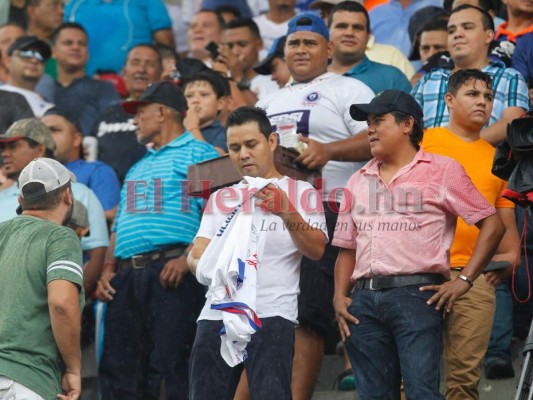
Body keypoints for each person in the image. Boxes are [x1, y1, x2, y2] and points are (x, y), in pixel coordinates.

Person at [333, 89, 506, 399]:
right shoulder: (357, 179)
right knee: (373, 396)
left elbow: (491, 224)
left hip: (416, 294)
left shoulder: (442, 169)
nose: (369, 129)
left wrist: (465, 279)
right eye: (368, 122)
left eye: (378, 120)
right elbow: (348, 248)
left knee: (421, 393)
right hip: (362, 301)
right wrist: (338, 297)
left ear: (407, 125)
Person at [256, 12, 374, 399]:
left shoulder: (349, 88)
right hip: (268, 217)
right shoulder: (266, 101)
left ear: (329, 48)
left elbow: (376, 139)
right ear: (283, 51)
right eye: (294, 43)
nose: (302, 49)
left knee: (307, 311)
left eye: (310, 42)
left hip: (329, 209)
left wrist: (328, 151)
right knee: (262, 313)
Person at [188, 105, 327, 400]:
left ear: (272, 142)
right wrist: (199, 265)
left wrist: (286, 211)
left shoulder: (302, 192)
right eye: (234, 147)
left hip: (272, 312)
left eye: (251, 144)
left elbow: (316, 250)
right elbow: (198, 253)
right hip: (217, 311)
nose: (243, 154)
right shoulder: (221, 197)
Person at [95, 81, 220, 400]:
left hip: (174, 273)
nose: (134, 120)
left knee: (178, 366)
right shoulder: (138, 166)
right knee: (120, 371)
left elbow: (224, 217)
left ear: (162, 112)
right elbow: (119, 226)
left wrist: (188, 257)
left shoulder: (202, 153)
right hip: (125, 279)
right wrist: (108, 268)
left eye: (140, 112)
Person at [422, 69, 519, 398]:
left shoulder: (498, 158)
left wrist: (511, 255)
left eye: (488, 97)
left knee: (464, 383)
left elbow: (504, 215)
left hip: (473, 277)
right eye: (473, 94)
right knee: (413, 378)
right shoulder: (423, 141)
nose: (483, 102)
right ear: (449, 100)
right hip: (419, 272)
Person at [0, 157, 84, 400]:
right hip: (24, 380)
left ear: (20, 201)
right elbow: (61, 304)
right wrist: (73, 369)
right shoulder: (61, 238)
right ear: (68, 195)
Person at [0, 118, 109, 294]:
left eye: (13, 146)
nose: (5, 153)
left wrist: (74, 301)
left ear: (40, 149)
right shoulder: (1, 197)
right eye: (3, 148)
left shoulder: (78, 193)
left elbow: (98, 251)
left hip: (55, 305)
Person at [411, 5, 530, 145]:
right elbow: (408, 126)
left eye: (467, 27)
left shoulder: (509, 77)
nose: (457, 34)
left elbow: (512, 122)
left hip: (484, 164)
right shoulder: (428, 80)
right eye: (451, 30)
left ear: (489, 36)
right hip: (431, 163)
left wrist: (461, 148)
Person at [92, 43, 162, 182]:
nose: (142, 69)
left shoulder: (166, 114)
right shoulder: (108, 112)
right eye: (135, 63)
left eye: (149, 64)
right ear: (124, 72)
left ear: (160, 74)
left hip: (150, 192)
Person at [42, 23, 121, 136]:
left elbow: (113, 127)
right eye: (68, 43)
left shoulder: (104, 88)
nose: (75, 47)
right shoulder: (43, 89)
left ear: (87, 53)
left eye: (82, 44)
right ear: (53, 52)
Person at [42, 111, 120, 221]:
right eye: (42, 132)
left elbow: (109, 218)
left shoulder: (97, 171)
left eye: (54, 130)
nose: (46, 137)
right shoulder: (27, 175)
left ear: (76, 139)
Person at [64, 0, 174, 76]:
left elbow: (166, 45)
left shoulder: (148, 2)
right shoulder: (75, 5)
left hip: (136, 87)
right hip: (85, 85)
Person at [327, 1, 412, 93]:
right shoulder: (312, 76)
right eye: (342, 26)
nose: (349, 33)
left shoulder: (392, 78)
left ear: (368, 36)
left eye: (358, 28)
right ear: (327, 33)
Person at [220, 17, 279, 104]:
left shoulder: (273, 79)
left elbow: (261, 115)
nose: (235, 51)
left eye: (242, 44)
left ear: (259, 44)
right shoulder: (221, 78)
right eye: (229, 46)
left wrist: (238, 77)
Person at [0, 35, 54, 116]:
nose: (34, 60)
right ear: (8, 61)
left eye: (40, 56)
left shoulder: (50, 108)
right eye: (26, 54)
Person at [182, 69, 231, 153]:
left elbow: (213, 160)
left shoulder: (226, 133)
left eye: (204, 94)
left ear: (220, 103)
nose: (195, 100)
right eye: (189, 96)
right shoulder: (177, 133)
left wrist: (193, 128)